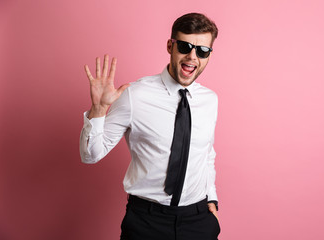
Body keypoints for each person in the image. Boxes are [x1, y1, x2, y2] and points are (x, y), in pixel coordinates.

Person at [79, 12, 220, 240]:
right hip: (148, 222)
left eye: (202, 51)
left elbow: (206, 154)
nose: (192, 57)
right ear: (170, 46)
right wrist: (98, 109)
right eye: (185, 47)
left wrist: (211, 197)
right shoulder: (135, 95)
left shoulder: (210, 100)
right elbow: (90, 156)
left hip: (198, 220)